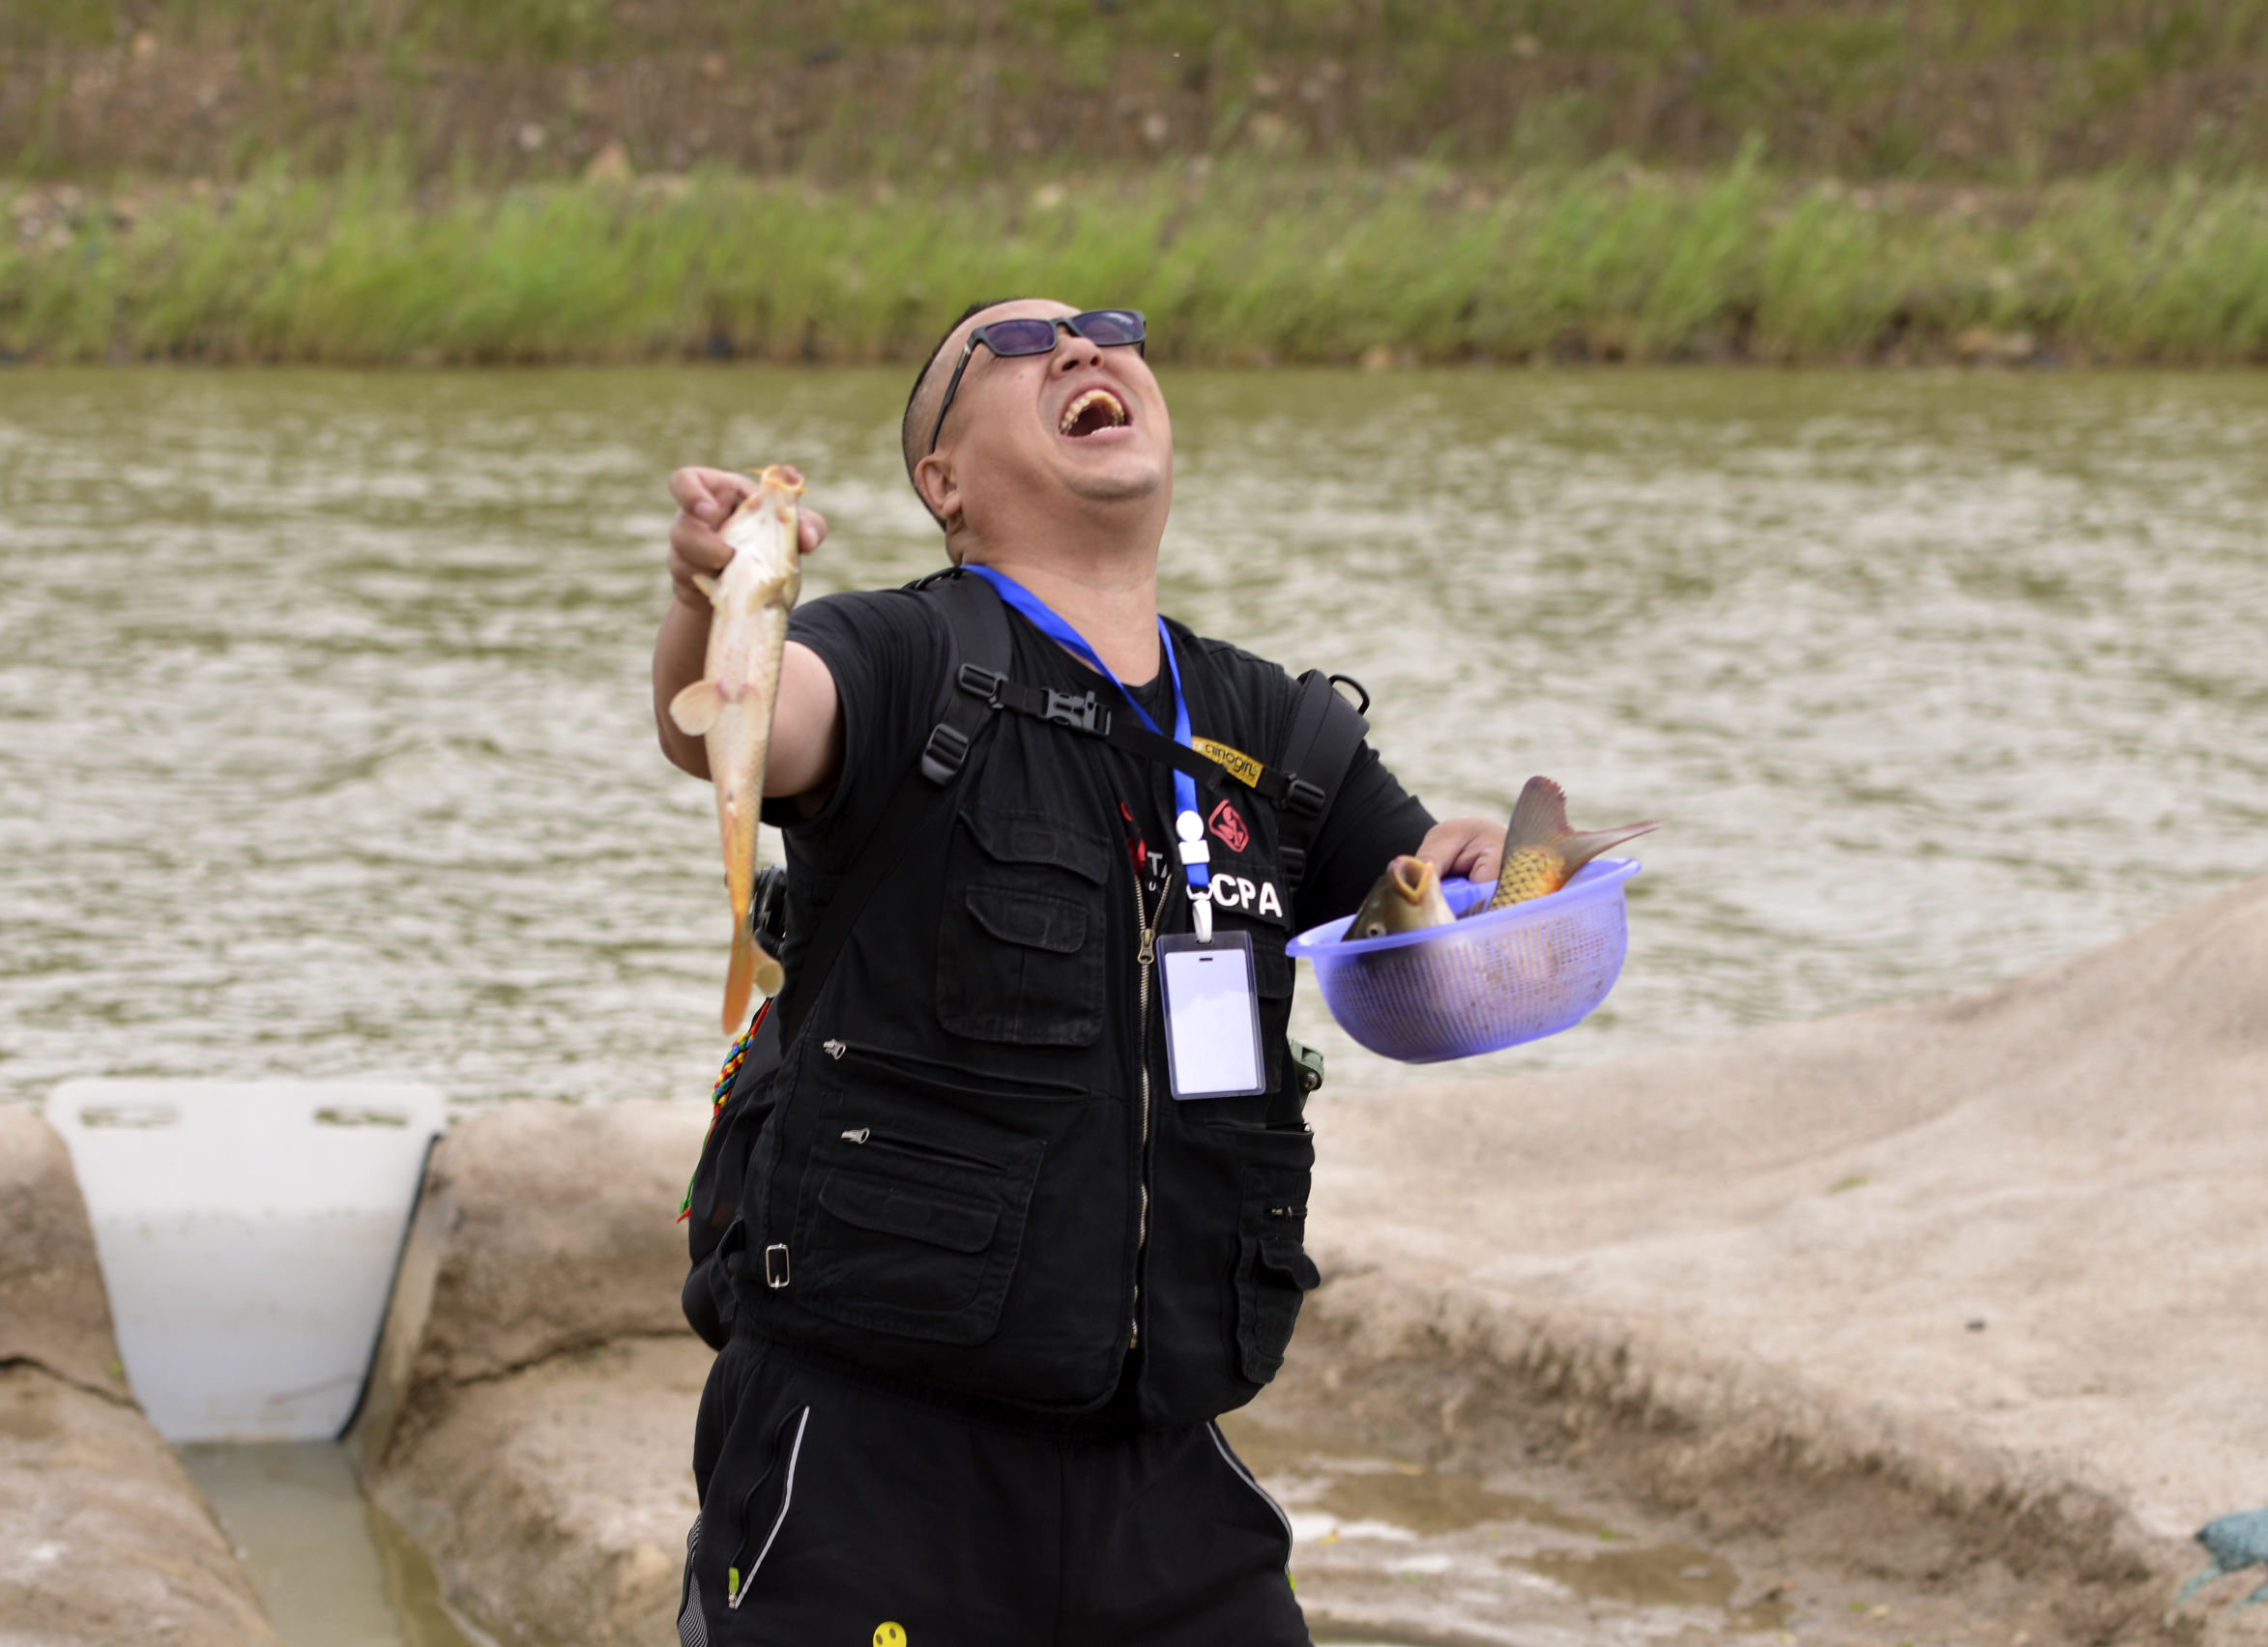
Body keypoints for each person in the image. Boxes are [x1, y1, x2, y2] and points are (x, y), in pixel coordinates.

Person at [654, 298, 1508, 1646]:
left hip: (1161, 1471)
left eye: (1108, 328)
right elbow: (734, 729)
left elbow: (1443, 993)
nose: (1079, 348)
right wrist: (717, 599)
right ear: (943, 481)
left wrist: (1476, 887)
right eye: (1010, 347)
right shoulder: (901, 658)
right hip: (871, 1467)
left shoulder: (1278, 731)